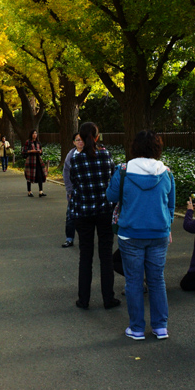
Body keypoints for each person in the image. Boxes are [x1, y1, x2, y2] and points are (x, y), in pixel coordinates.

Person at [106, 130, 174, 340]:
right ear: (158, 148)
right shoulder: (166, 173)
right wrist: (168, 227)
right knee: (157, 280)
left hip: (131, 234)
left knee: (134, 282)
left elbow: (110, 195)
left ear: (134, 147)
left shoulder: (123, 171)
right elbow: (170, 205)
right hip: (159, 233)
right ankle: (160, 327)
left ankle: (136, 328)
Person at [70, 122, 120, 311]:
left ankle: (83, 300)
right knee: (106, 255)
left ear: (81, 138)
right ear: (97, 137)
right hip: (104, 211)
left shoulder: (76, 160)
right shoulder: (106, 155)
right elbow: (113, 179)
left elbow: (74, 182)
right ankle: (108, 298)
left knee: (86, 256)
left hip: (83, 211)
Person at [61, 132, 82, 248]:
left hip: (86, 191)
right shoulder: (71, 155)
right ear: (74, 142)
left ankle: (84, 238)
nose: (80, 142)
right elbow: (66, 173)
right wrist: (69, 190)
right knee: (70, 216)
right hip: (73, 191)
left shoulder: (89, 153)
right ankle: (69, 238)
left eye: (82, 139)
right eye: (78, 140)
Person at [23, 130, 48, 197]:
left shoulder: (38, 142)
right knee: (29, 176)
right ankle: (29, 191)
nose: (35, 135)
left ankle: (41, 191)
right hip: (30, 161)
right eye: (33, 133)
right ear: (31, 134)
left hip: (38, 160)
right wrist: (32, 151)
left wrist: (40, 151)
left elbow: (41, 151)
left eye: (36, 133)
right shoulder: (28, 142)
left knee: (40, 175)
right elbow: (24, 151)